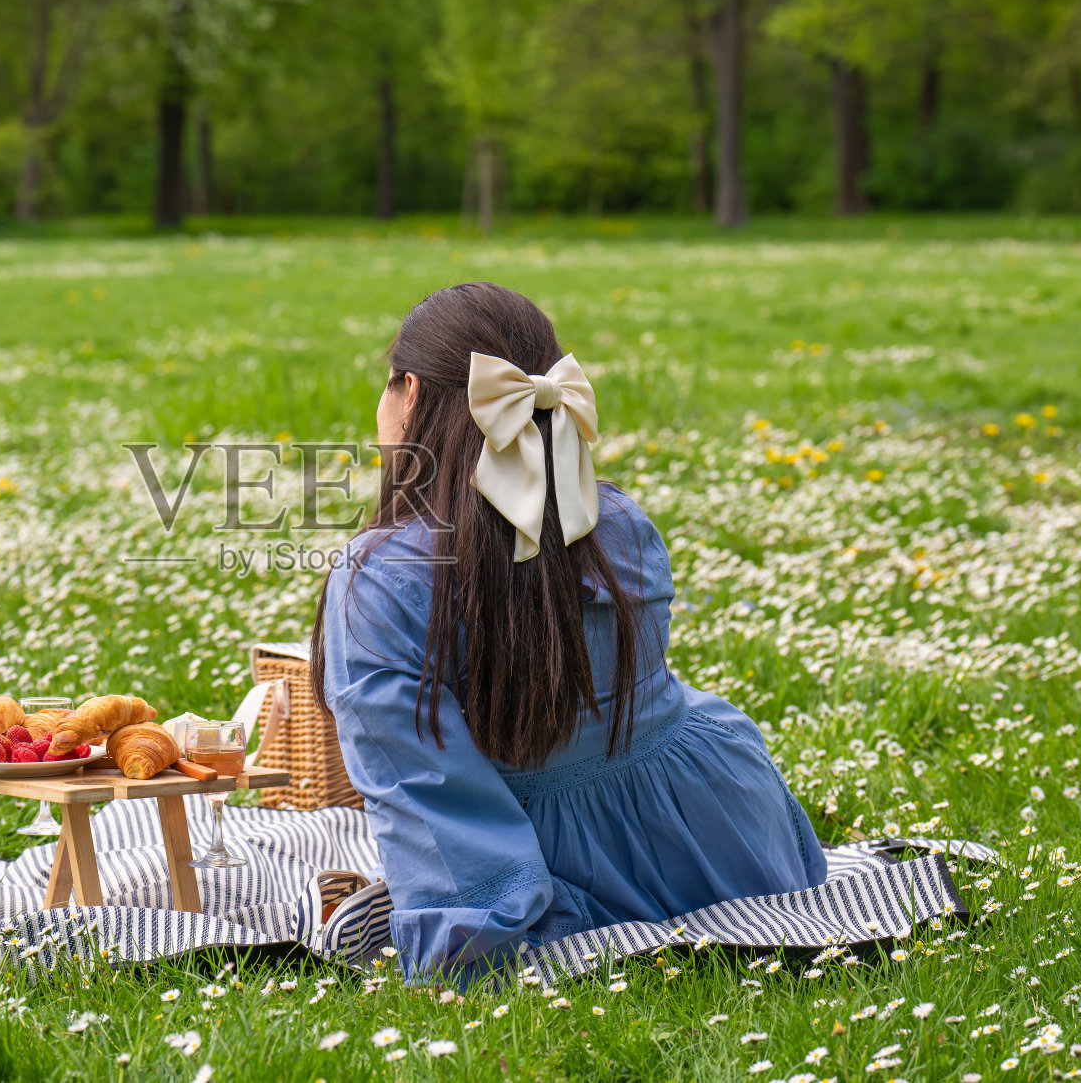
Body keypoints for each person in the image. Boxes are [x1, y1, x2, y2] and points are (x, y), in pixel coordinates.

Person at [312, 282, 827, 983]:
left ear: (407, 391)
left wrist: (470, 952)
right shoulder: (617, 519)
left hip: (556, 877)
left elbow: (424, 792)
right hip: (726, 832)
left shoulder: (380, 577)